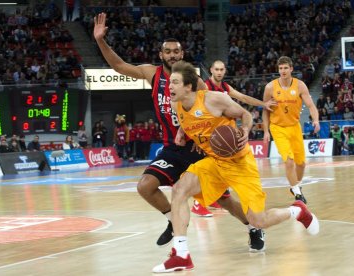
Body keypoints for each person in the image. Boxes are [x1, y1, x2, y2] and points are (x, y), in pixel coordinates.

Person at [93, 13, 265, 251]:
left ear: (182, 55)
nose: (172, 55)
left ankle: (253, 227)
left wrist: (220, 137)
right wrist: (101, 40)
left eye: (176, 51)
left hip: (199, 148)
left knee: (221, 199)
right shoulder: (151, 74)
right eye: (168, 51)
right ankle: (173, 220)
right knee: (145, 186)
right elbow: (119, 66)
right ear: (161, 55)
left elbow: (218, 110)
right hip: (173, 148)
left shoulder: (195, 81)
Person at [152, 61, 319, 273]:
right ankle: (181, 254)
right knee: (179, 190)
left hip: (240, 164)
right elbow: (190, 124)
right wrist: (181, 133)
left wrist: (245, 131)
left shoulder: (214, 100)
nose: (170, 87)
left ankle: (296, 211)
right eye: (170, 83)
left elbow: (245, 115)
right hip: (214, 163)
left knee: (258, 220)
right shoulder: (177, 106)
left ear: (189, 86)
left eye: (175, 82)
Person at [196, 59, 277, 216]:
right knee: (209, 170)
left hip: (224, 134)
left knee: (223, 170)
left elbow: (243, 98)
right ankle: (198, 204)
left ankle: (213, 199)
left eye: (222, 69)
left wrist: (263, 104)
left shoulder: (225, 87)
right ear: (211, 70)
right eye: (216, 69)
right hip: (210, 135)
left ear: (225, 71)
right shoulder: (205, 87)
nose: (219, 72)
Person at [262, 56, 320, 204]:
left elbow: (311, 106)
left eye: (286, 68)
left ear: (291, 69)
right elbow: (265, 110)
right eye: (280, 68)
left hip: (294, 127)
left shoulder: (300, 86)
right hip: (278, 128)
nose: (283, 71)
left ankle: (296, 185)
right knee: (289, 161)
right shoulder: (270, 87)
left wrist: (315, 120)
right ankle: (297, 193)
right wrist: (266, 131)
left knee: (301, 164)